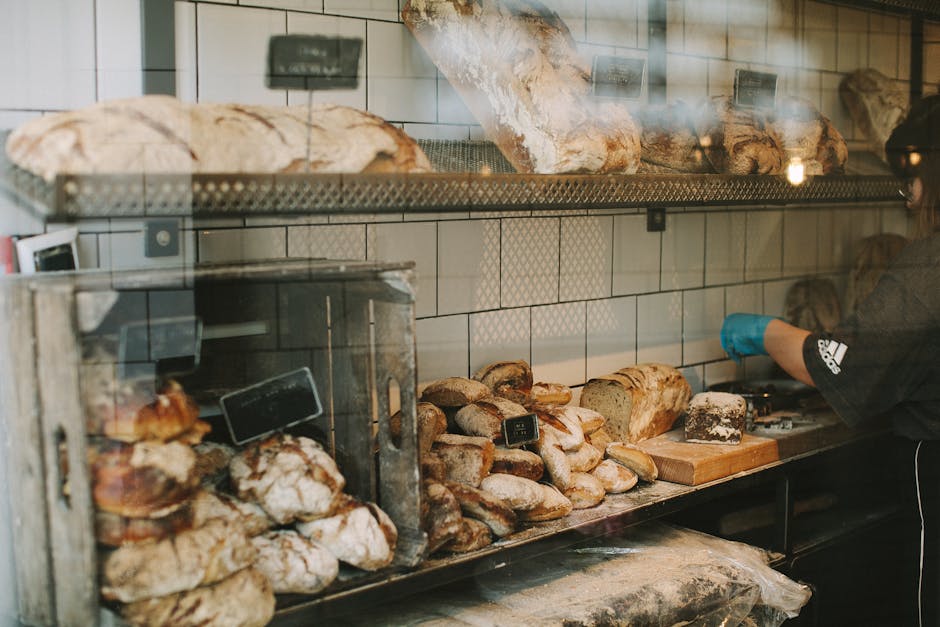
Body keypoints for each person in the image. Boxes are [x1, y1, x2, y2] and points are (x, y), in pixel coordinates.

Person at [720, 94, 940, 626]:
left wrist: (765, 331)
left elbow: (843, 361)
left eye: (913, 177)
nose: (909, 197)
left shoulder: (930, 266)